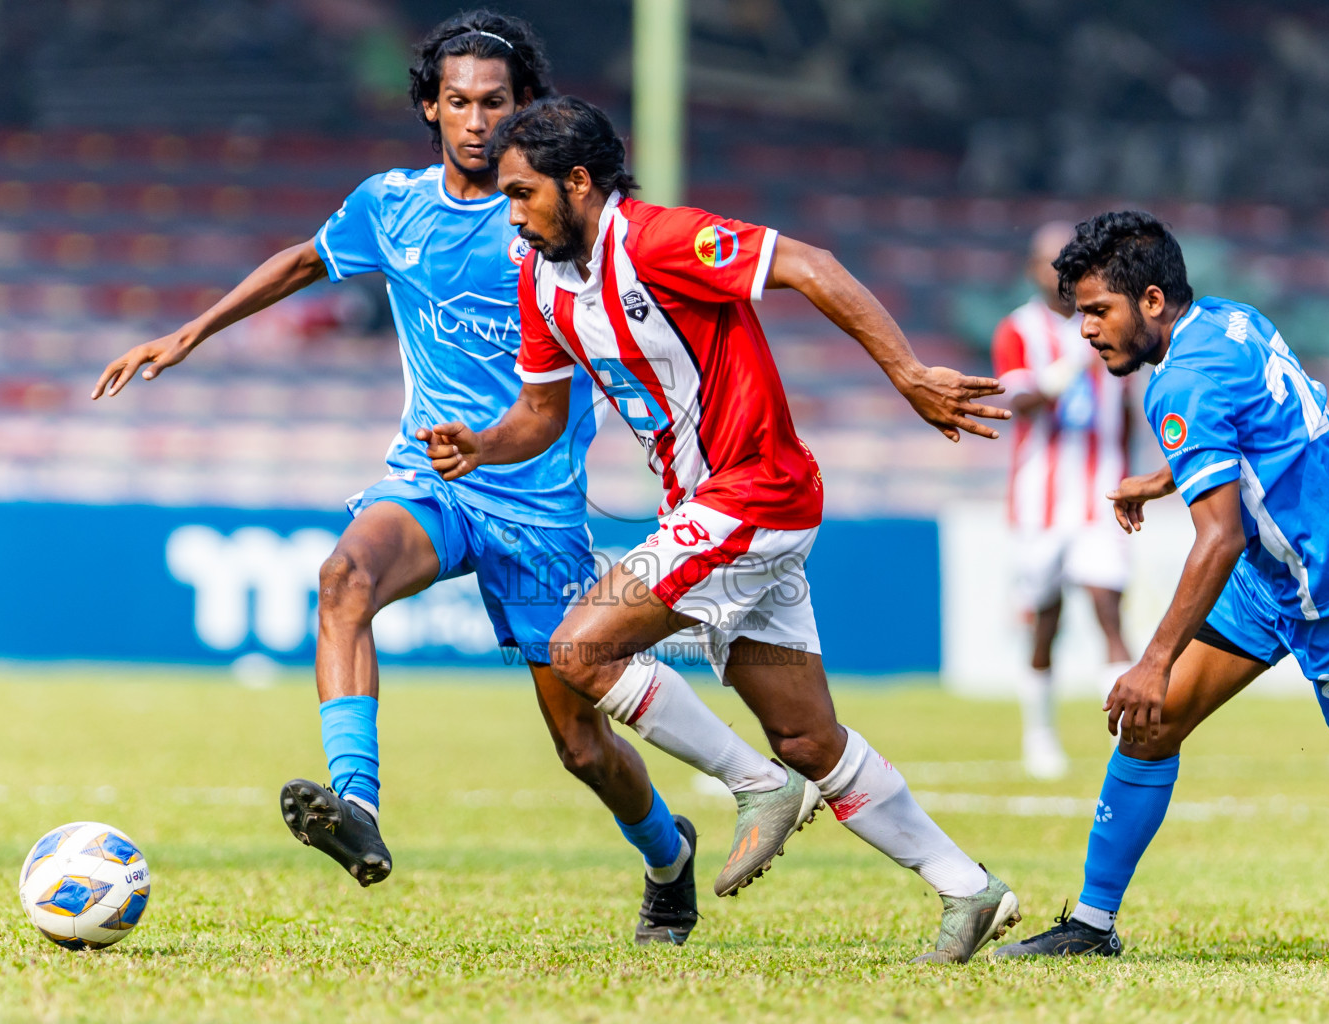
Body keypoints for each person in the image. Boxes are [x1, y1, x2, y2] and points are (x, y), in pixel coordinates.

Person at [90, 11, 790, 947]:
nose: (474, 119)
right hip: (434, 478)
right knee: (343, 581)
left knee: (581, 744)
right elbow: (304, 259)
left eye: (493, 102)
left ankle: (670, 858)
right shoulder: (392, 206)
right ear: (428, 105)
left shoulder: (557, 220)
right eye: (456, 101)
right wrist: (191, 332)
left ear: (523, 108)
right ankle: (358, 809)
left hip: (540, 507)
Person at [422, 95, 1023, 963]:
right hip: (707, 513)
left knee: (580, 650)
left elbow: (809, 264)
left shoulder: (661, 241)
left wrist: (907, 372)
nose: (511, 214)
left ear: (579, 181)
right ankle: (970, 890)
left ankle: (753, 785)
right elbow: (540, 413)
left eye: (522, 194)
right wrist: (481, 445)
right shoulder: (541, 275)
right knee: (810, 736)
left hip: (755, 495)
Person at [995, 211, 1329, 958]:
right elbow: (1270, 423)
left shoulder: (1178, 386)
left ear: (1151, 301)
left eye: (1098, 310)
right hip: (1276, 576)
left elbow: (1217, 537)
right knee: (1150, 727)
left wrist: (1153, 659)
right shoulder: (1229, 320)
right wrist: (1166, 478)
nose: (1086, 330)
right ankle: (1092, 928)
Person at [992, 222, 1133, 779]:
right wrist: (1062, 374)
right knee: (1045, 622)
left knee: (1108, 610)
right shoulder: (1018, 329)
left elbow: (1123, 405)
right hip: (1039, 504)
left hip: (1101, 497)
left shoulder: (1105, 320)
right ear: (1032, 270)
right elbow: (1017, 399)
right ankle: (1040, 736)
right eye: (1051, 265)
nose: (1062, 277)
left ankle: (1126, 745)